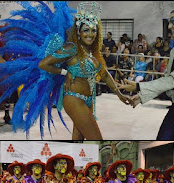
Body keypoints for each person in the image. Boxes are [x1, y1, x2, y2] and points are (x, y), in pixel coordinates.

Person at [38, 2, 132, 140]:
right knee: (96, 139)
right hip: (74, 98)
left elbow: (105, 75)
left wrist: (119, 94)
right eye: (86, 30)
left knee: (78, 140)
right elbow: (44, 64)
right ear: (79, 32)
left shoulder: (93, 53)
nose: (90, 34)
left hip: (89, 100)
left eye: (93, 30)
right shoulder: (72, 48)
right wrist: (65, 72)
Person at [118, 8, 174, 140]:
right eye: (169, 23)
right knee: (161, 142)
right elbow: (167, 80)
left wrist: (139, 87)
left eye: (173, 22)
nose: (170, 26)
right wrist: (142, 96)